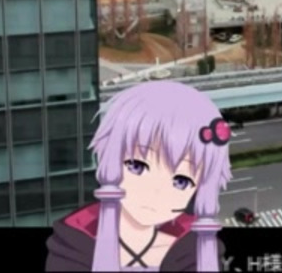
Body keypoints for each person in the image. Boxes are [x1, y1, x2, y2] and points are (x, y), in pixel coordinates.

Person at [45, 81, 232, 272]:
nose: (155, 192)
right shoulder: (74, 241)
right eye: (137, 166)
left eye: (181, 181)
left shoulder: (194, 245)